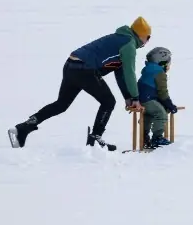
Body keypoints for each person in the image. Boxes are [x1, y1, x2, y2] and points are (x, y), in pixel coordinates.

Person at [8, 17, 152, 150]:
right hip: (85, 69)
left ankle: (24, 127)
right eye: (148, 37)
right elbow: (129, 73)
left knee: (61, 104)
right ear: (141, 35)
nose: (148, 41)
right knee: (108, 102)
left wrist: (128, 97)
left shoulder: (119, 39)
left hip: (71, 64)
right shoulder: (129, 45)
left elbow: (120, 73)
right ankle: (95, 138)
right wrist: (135, 98)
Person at [137, 46, 180, 148]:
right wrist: (170, 105)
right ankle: (157, 138)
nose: (169, 66)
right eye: (168, 63)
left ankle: (145, 137)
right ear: (162, 61)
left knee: (149, 115)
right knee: (161, 113)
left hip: (141, 99)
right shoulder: (159, 73)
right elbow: (162, 93)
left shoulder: (148, 70)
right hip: (148, 99)